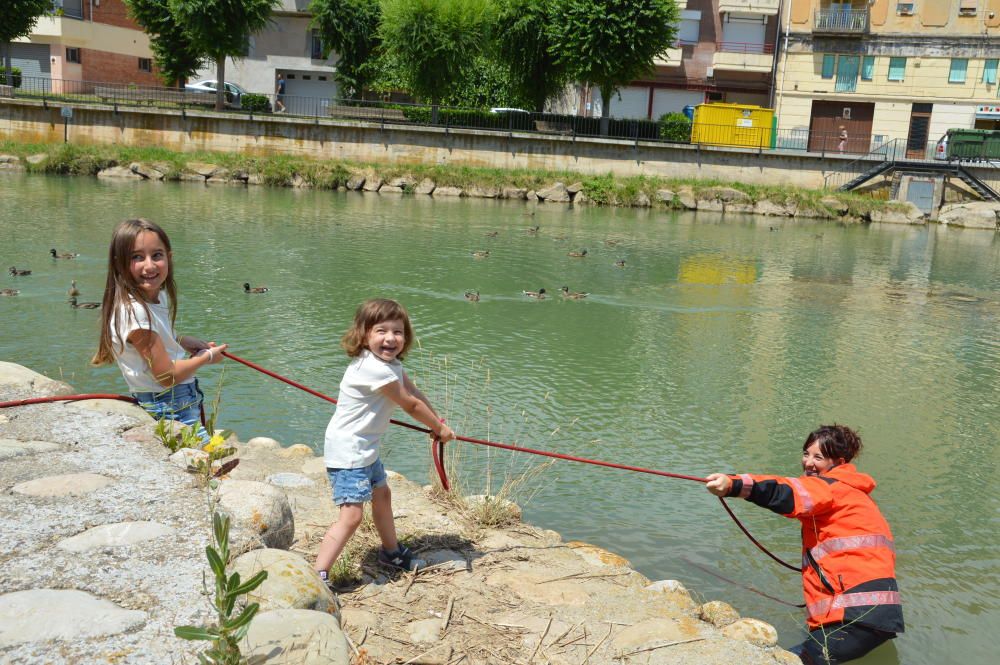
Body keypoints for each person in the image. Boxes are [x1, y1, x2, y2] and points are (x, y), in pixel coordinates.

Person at [705, 425, 903, 664]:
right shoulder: (857, 495)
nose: (808, 462)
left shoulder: (829, 488)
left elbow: (786, 491)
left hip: (853, 617)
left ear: (838, 462)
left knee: (789, 660)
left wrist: (733, 485)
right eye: (806, 454)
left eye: (818, 457)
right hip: (878, 617)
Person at [315, 299, 455, 581]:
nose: (390, 338)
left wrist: (438, 423)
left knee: (383, 495)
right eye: (381, 331)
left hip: (364, 449)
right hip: (349, 452)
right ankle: (318, 573)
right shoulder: (373, 368)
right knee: (352, 516)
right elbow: (410, 405)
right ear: (364, 335)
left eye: (398, 332)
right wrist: (438, 430)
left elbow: (413, 393)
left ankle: (391, 552)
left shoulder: (390, 365)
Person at [92, 219, 226, 443]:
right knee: (210, 463)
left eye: (157, 255)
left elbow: (153, 343)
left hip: (179, 400)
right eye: (137, 257)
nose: (150, 265)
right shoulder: (135, 312)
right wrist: (207, 357)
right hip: (168, 406)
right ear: (119, 263)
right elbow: (166, 376)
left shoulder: (155, 296)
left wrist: (180, 340)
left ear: (169, 258)